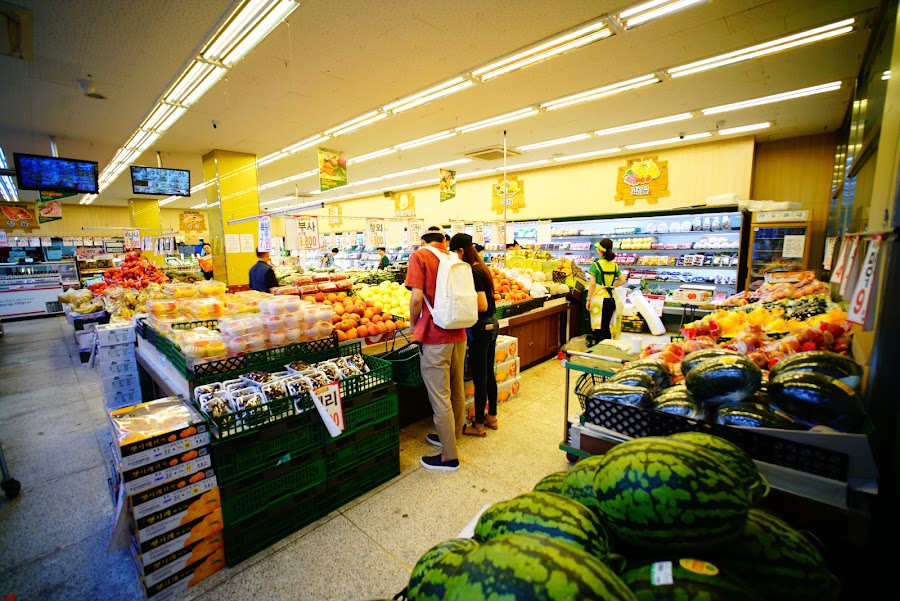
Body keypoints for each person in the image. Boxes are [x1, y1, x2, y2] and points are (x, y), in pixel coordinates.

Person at [405, 224, 467, 472]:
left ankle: (448, 456)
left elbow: (417, 298)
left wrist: (412, 324)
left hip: (434, 335)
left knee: (440, 396)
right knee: (457, 389)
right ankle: (452, 437)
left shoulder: (419, 256)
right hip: (459, 332)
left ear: (423, 240)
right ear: (443, 239)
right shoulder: (453, 256)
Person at [450, 233, 498, 437]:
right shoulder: (482, 268)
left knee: (480, 377)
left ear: (461, 251)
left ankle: (478, 425)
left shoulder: (474, 271)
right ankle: (492, 417)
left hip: (481, 328)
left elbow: (481, 304)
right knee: (488, 374)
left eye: (455, 253)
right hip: (491, 325)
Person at [586, 238, 626, 345]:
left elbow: (592, 284)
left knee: (598, 327)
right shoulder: (614, 265)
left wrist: (588, 299)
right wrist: (612, 286)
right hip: (610, 299)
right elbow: (623, 280)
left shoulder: (596, 265)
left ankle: (599, 350)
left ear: (600, 250)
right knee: (606, 326)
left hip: (599, 300)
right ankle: (608, 347)